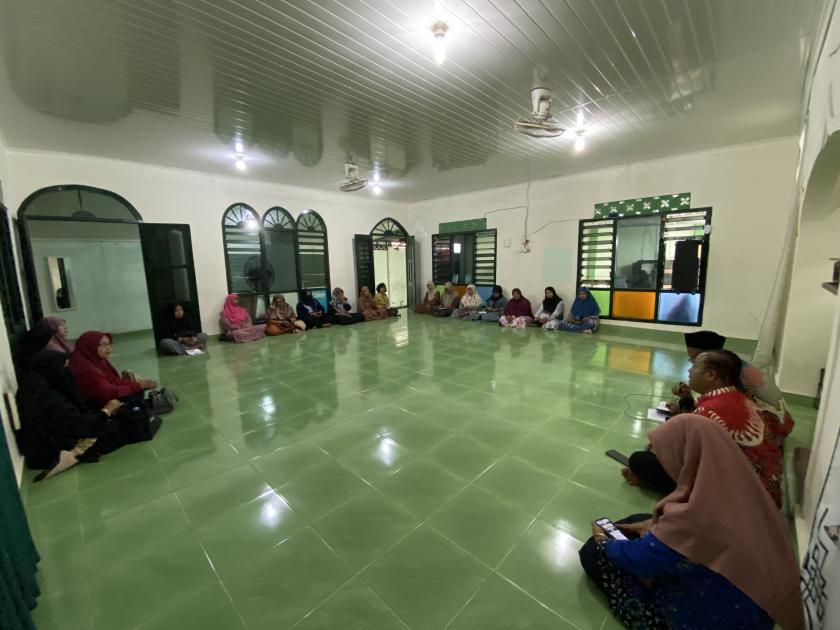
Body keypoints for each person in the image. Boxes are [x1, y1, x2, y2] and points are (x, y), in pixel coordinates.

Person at [580, 416, 804, 630]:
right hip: (754, 606)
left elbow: (639, 560)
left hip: (705, 618)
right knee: (640, 521)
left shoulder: (692, 521)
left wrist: (603, 542)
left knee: (595, 554)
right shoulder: (739, 487)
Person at [625, 349, 786, 508]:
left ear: (711, 375)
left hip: (739, 500)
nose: (689, 370)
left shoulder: (709, 411)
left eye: (694, 367)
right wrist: (687, 399)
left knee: (641, 459)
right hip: (764, 491)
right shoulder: (736, 397)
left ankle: (649, 482)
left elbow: (687, 456)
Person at [17, 350, 161, 481]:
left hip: (61, 433)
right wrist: (106, 411)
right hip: (53, 448)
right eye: (64, 366)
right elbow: (80, 426)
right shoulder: (46, 398)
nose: (108, 348)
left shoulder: (37, 388)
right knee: (118, 427)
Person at [671, 331, 796, 441]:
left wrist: (684, 411)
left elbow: (721, 417)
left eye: (694, 361)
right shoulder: (730, 366)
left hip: (771, 430)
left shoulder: (737, 377)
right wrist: (687, 398)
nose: (690, 369)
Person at [69, 331, 158, 407]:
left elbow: (117, 381)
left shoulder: (97, 360)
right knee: (134, 393)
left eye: (109, 344)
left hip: (105, 395)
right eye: (103, 345)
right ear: (90, 346)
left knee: (136, 388)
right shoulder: (85, 368)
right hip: (94, 405)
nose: (108, 348)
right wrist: (138, 386)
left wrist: (139, 384)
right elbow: (107, 393)